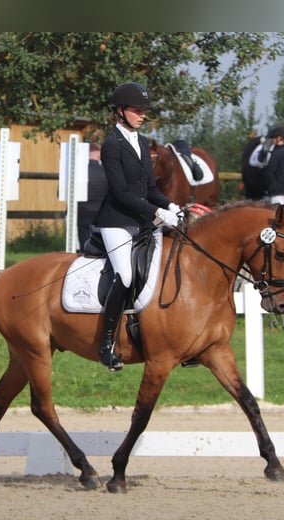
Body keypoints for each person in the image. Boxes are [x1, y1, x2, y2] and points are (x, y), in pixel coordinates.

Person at [94, 82, 181, 372]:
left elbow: (149, 187)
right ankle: (106, 344)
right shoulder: (112, 145)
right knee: (127, 275)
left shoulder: (142, 142)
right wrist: (156, 211)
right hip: (116, 221)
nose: (142, 116)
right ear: (120, 112)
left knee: (165, 268)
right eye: (136, 110)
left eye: (144, 111)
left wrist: (170, 205)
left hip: (142, 220)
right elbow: (121, 193)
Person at [77, 142, 108, 251]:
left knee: (83, 245)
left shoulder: (77, 171)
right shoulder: (106, 172)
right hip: (100, 213)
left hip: (80, 212)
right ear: (99, 155)